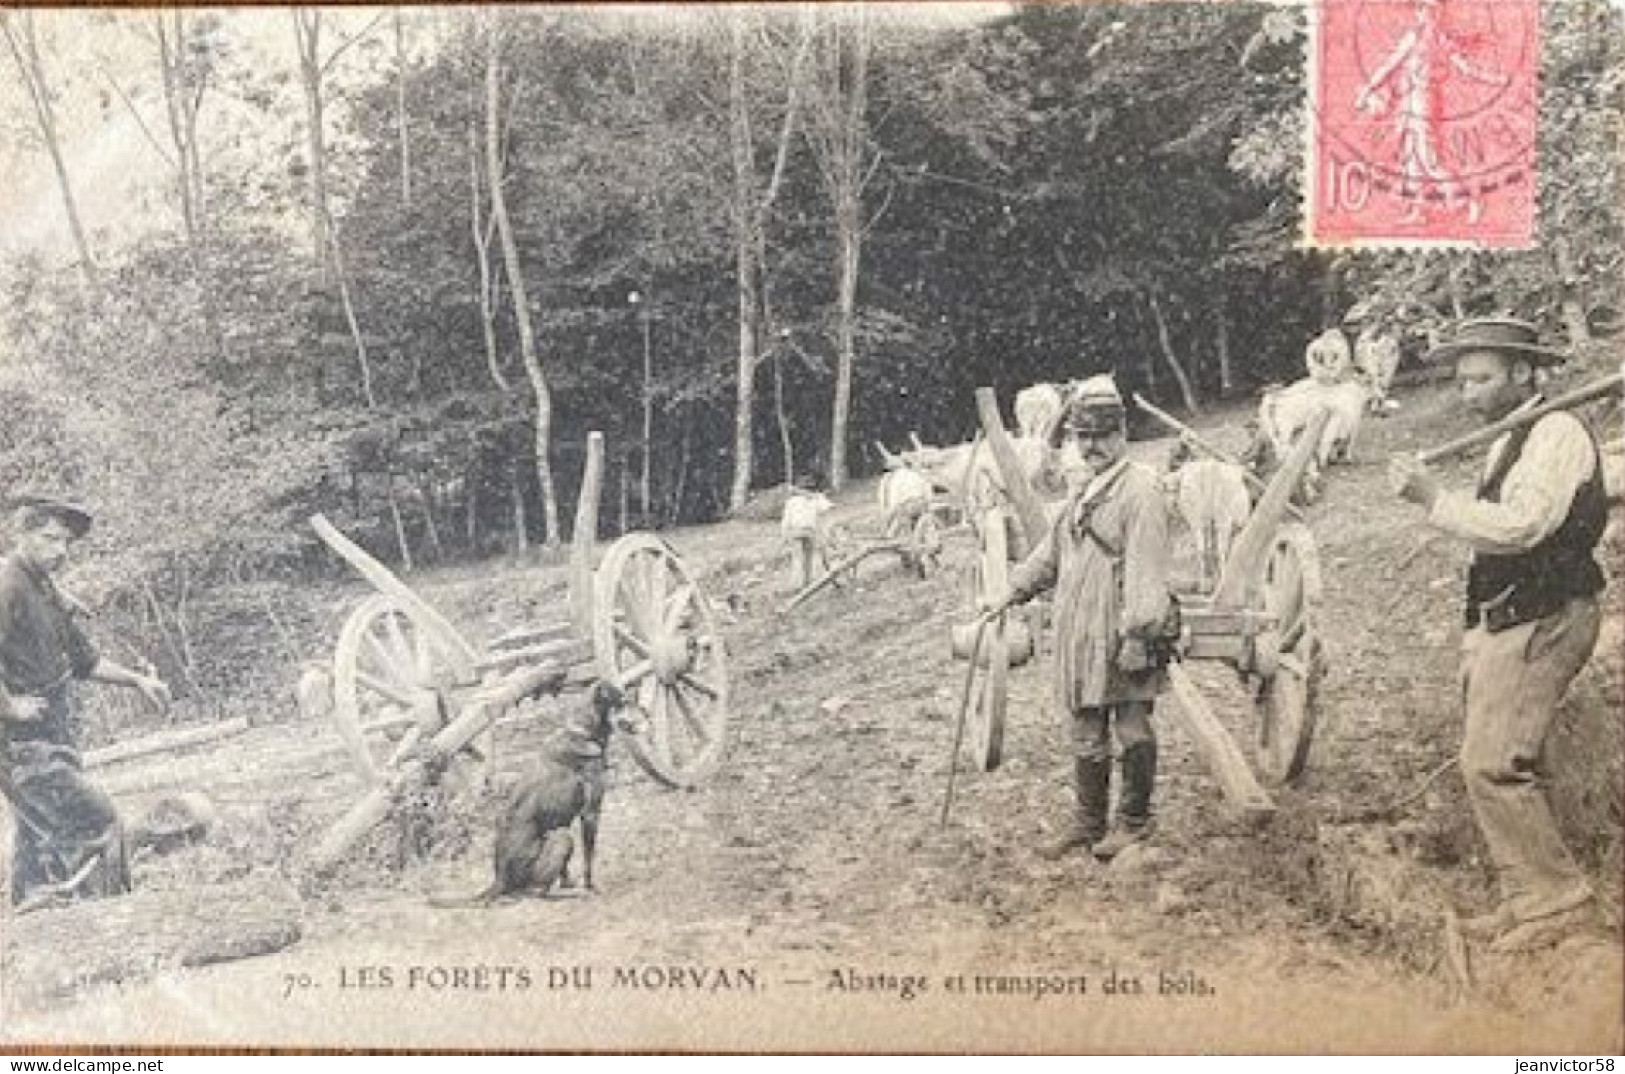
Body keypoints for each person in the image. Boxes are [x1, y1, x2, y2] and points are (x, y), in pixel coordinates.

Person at [1388, 317, 1607, 953]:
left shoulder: (1557, 431)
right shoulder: (1512, 435)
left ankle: (1556, 901)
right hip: (1510, 611)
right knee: (1501, 758)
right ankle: (1526, 896)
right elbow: (1496, 526)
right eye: (1462, 381)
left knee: (1492, 763)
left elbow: (1522, 527)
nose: (1469, 393)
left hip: (1548, 612)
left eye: (1482, 378)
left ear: (1522, 372)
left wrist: (1433, 498)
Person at [982, 376, 1175, 861]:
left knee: (1131, 729)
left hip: (1122, 631)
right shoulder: (1083, 493)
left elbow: (1147, 571)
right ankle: (1088, 823)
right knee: (1086, 729)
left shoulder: (1141, 492)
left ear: (1121, 436)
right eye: (1082, 437)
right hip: (1079, 633)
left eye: (1102, 436)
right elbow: (1050, 555)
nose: (1092, 446)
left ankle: (1134, 822)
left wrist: (1139, 634)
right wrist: (1011, 589)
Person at [0, 495, 171, 910]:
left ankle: (36, 927)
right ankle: (113, 921)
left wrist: (136, 680)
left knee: (39, 848)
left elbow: (84, 660)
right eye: (49, 539)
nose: (60, 550)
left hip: (51, 734)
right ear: (20, 535)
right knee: (96, 822)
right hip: (21, 744)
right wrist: (7, 706)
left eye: (65, 543)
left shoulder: (46, 590)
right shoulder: (7, 585)